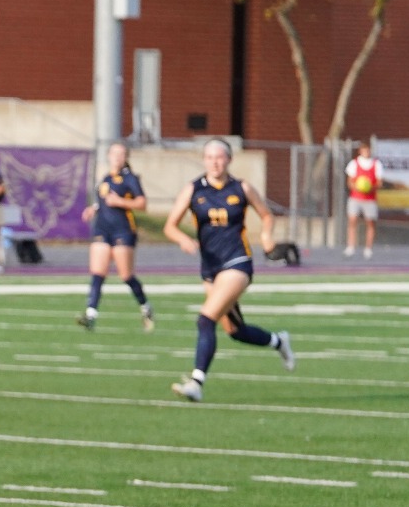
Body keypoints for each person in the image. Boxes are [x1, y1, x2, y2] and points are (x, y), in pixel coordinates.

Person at [163, 138, 294, 402]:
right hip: (210, 267)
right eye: (210, 157)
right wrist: (183, 239)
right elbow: (170, 226)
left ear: (229, 160)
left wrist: (266, 237)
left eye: (220, 157)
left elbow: (266, 215)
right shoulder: (193, 189)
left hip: (237, 262)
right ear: (204, 160)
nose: (215, 162)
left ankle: (196, 382)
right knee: (235, 330)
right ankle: (279, 341)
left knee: (205, 319)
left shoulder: (241, 188)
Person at [76, 142, 153, 332]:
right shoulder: (106, 178)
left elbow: (142, 203)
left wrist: (120, 201)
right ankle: (91, 314)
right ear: (108, 156)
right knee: (97, 273)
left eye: (121, 154)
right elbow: (103, 201)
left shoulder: (130, 178)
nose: (117, 157)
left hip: (123, 230)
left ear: (126, 157)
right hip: (102, 229)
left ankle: (145, 306)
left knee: (126, 275)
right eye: (114, 153)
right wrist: (93, 209)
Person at [344, 142, 380, 259]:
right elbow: (350, 182)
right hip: (355, 198)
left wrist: (369, 188)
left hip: (370, 199)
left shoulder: (376, 164)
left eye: (368, 150)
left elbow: (379, 182)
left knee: (370, 222)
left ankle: (368, 248)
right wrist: (357, 187)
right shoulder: (354, 163)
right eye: (364, 150)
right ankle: (351, 247)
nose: (366, 152)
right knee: (352, 220)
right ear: (360, 151)